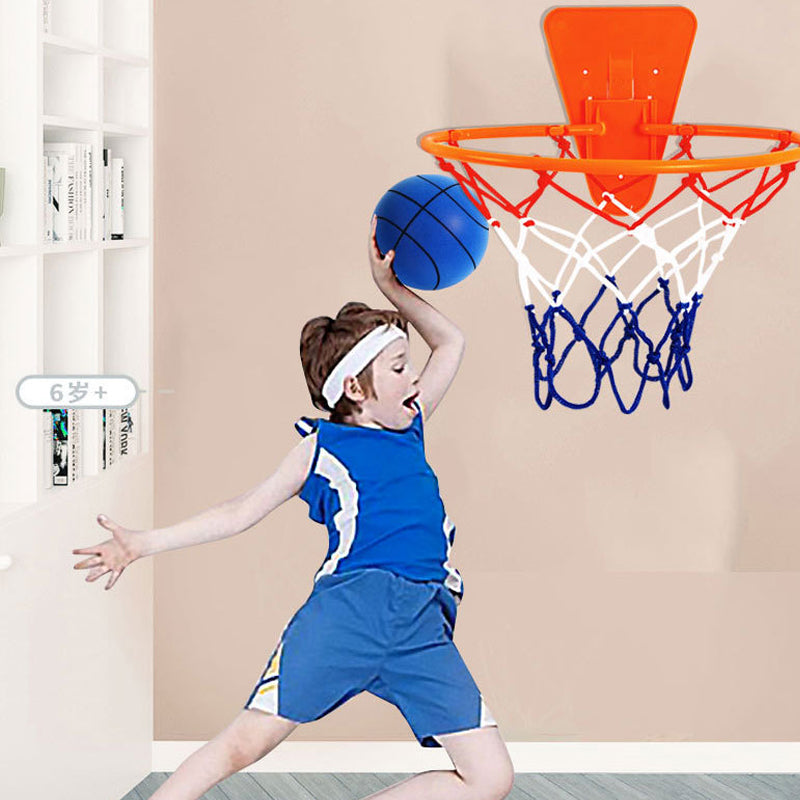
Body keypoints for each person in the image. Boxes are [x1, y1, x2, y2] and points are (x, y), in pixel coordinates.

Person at [72, 218, 515, 800]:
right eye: (400, 368)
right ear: (356, 392)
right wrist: (142, 542)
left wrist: (391, 291)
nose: (415, 378)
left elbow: (452, 341)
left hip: (420, 622)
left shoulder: (409, 424)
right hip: (349, 611)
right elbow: (240, 511)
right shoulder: (323, 447)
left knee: (491, 778)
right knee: (243, 745)